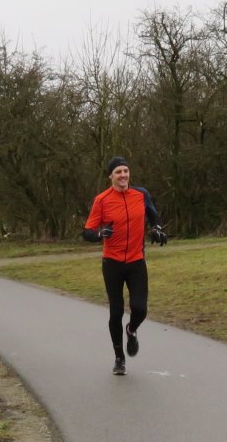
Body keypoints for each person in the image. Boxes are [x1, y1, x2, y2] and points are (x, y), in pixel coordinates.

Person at [82, 156, 167, 375]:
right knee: (116, 312)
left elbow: (154, 215)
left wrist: (157, 229)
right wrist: (99, 233)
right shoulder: (102, 200)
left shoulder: (141, 194)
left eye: (125, 171)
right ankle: (119, 358)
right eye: (118, 172)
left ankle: (132, 330)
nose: (123, 175)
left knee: (140, 308)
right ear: (111, 176)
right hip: (112, 262)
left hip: (137, 260)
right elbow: (87, 231)